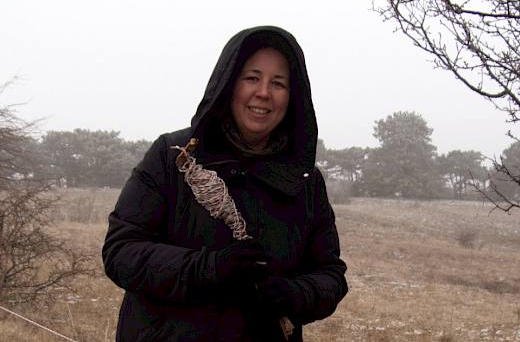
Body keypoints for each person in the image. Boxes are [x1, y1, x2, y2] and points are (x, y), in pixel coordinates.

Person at [102, 26, 348, 341]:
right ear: (229, 84)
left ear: (293, 96)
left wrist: (295, 294)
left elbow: (331, 274)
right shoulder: (173, 157)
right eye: (252, 78)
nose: (263, 92)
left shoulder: (305, 182)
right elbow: (121, 252)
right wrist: (209, 268)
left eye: (278, 83)